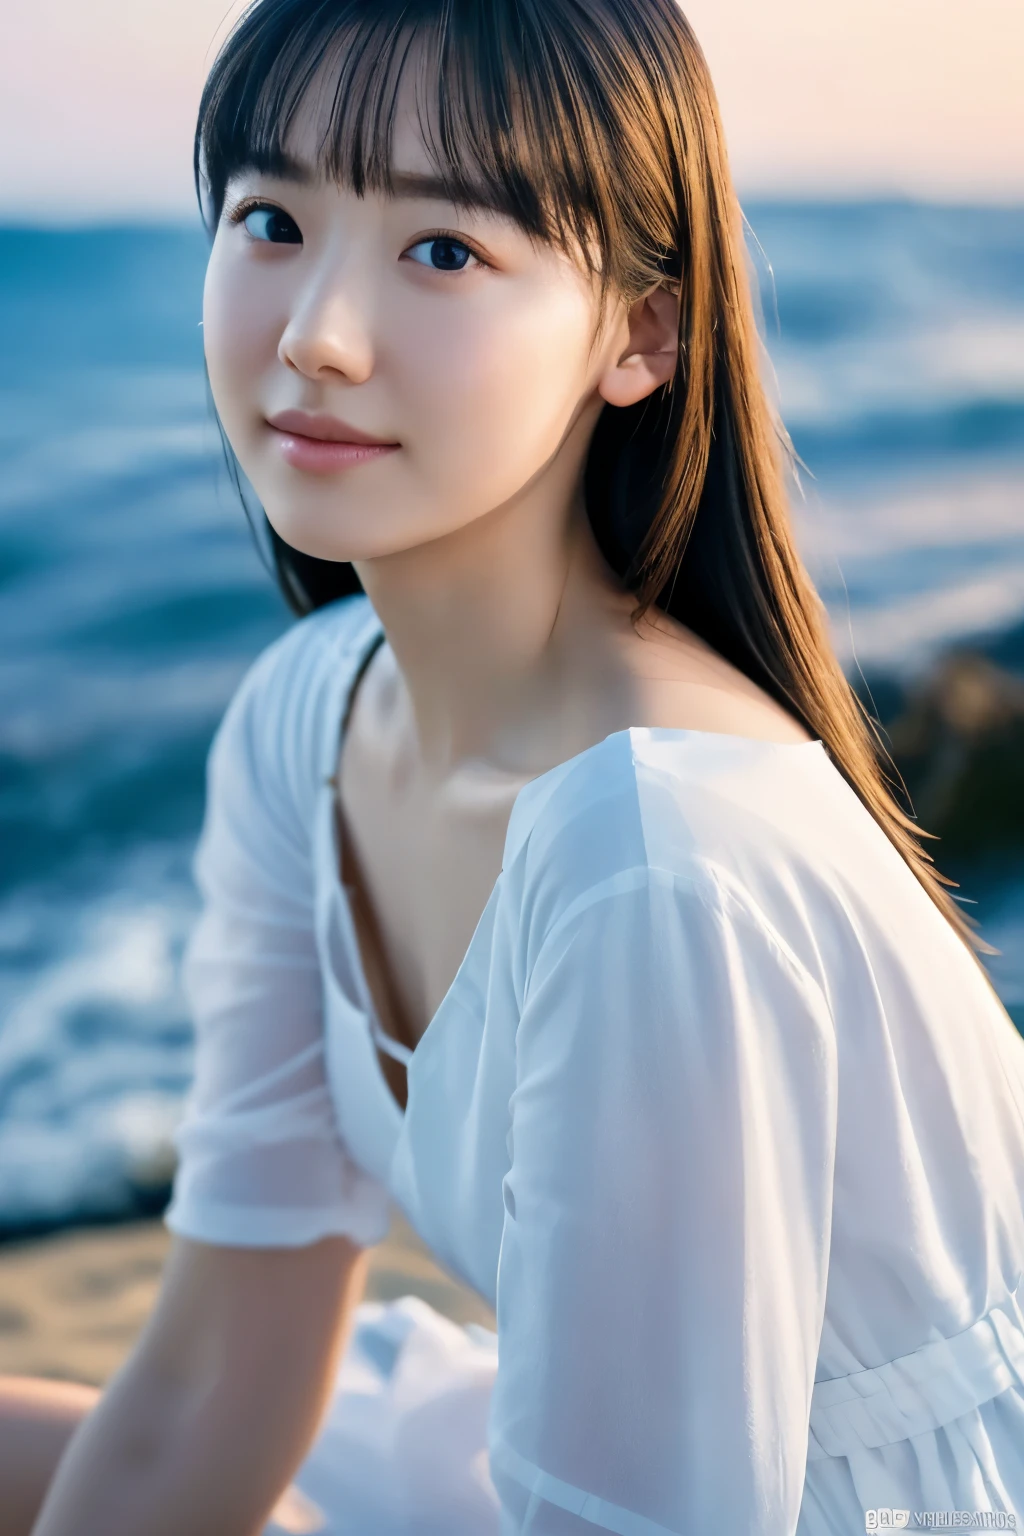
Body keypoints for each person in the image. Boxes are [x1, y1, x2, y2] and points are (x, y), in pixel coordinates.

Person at [5, 1, 1024, 1532]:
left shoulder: (658, 854)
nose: (315, 337)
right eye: (272, 219)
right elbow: (221, 1371)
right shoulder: (307, 725)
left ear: (643, 332)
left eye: (442, 252)